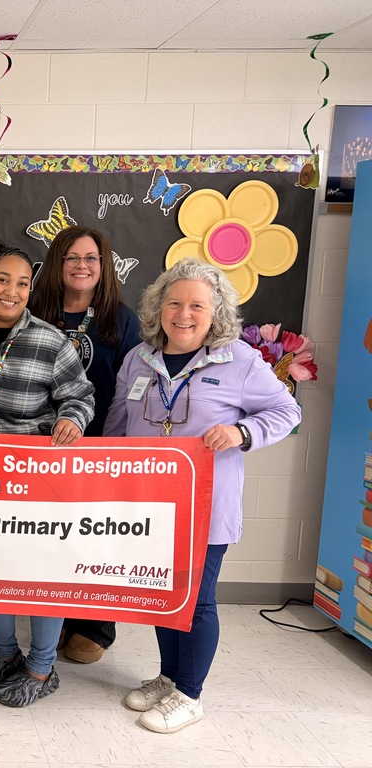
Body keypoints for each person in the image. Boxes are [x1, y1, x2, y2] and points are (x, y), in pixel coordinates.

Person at [105, 257, 301, 734]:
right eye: (174, 302)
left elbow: (287, 410)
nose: (184, 314)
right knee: (161, 593)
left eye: (197, 305)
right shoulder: (138, 358)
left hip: (204, 506)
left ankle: (190, 695)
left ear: (215, 312)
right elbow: (117, 422)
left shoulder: (241, 360)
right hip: (147, 505)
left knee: (197, 599)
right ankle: (170, 676)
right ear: (159, 307)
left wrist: (243, 432)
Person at [0, 244, 95, 706]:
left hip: (34, 483)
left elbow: (81, 395)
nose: (12, 291)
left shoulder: (50, 340)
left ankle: (41, 668)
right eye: (3, 280)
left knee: (41, 573)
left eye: (23, 283)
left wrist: (73, 419)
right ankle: (4, 654)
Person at [30, 225, 141, 664]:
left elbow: (135, 383)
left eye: (90, 258)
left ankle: (94, 625)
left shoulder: (122, 318)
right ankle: (52, 618)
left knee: (95, 537)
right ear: (57, 263)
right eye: (72, 257)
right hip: (42, 447)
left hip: (98, 447)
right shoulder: (34, 309)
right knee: (49, 535)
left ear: (103, 265)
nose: (81, 265)